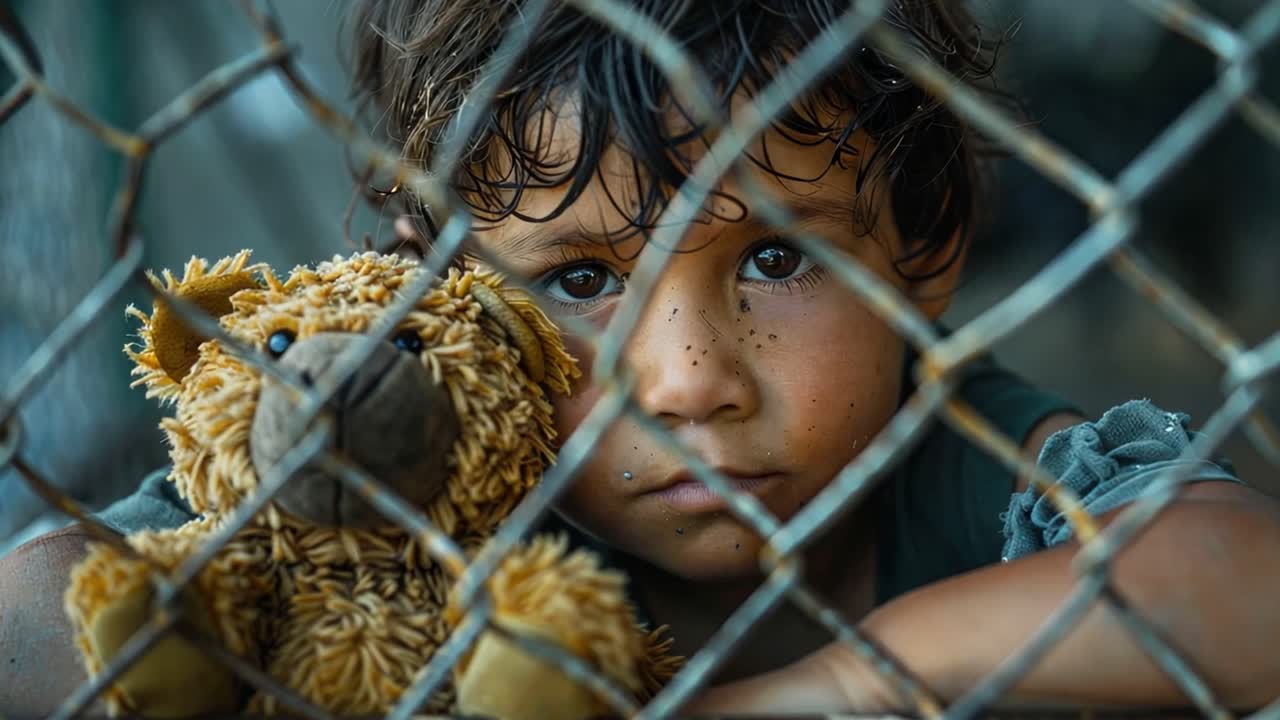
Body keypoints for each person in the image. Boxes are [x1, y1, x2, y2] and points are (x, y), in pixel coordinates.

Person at [2, 0, 1278, 715]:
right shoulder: (400, 455)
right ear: (440, 290)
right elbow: (46, 605)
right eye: (577, 283)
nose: (684, 381)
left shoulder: (962, 449)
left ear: (923, 236)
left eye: (774, 258)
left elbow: (1238, 584)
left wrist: (839, 687)